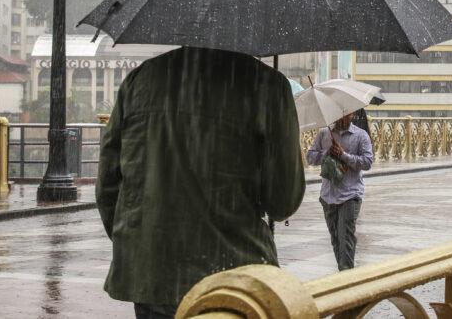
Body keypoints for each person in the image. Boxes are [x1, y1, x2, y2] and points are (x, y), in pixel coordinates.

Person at [97, 47, 305, 319]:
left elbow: (108, 185)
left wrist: (144, 239)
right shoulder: (267, 85)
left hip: (152, 274)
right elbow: (283, 201)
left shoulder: (141, 79)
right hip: (234, 273)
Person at [306, 111, 375, 271]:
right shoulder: (324, 133)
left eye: (348, 115)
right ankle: (342, 272)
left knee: (346, 238)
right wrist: (326, 153)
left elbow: (367, 162)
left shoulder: (360, 135)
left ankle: (347, 276)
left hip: (350, 195)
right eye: (340, 115)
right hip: (328, 196)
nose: (344, 118)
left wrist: (343, 155)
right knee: (335, 239)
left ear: (352, 115)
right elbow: (310, 157)